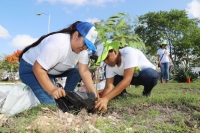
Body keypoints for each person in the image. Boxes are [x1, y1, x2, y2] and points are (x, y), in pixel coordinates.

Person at [18, 21, 98, 104]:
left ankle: (67, 96)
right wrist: (53, 90)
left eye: (88, 46)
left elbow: (84, 71)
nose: (85, 48)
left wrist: (93, 94)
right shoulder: (59, 45)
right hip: (30, 69)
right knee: (50, 104)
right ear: (75, 35)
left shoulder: (83, 49)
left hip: (49, 70)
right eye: (85, 43)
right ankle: (56, 95)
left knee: (77, 71)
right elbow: (38, 68)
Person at [94, 44, 158, 113]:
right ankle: (123, 93)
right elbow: (108, 87)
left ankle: (147, 92)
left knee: (150, 75)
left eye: (107, 58)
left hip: (142, 74)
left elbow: (127, 80)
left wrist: (106, 99)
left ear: (115, 51)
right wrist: (102, 101)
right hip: (127, 77)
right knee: (113, 77)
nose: (106, 62)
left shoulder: (129, 52)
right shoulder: (109, 66)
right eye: (103, 60)